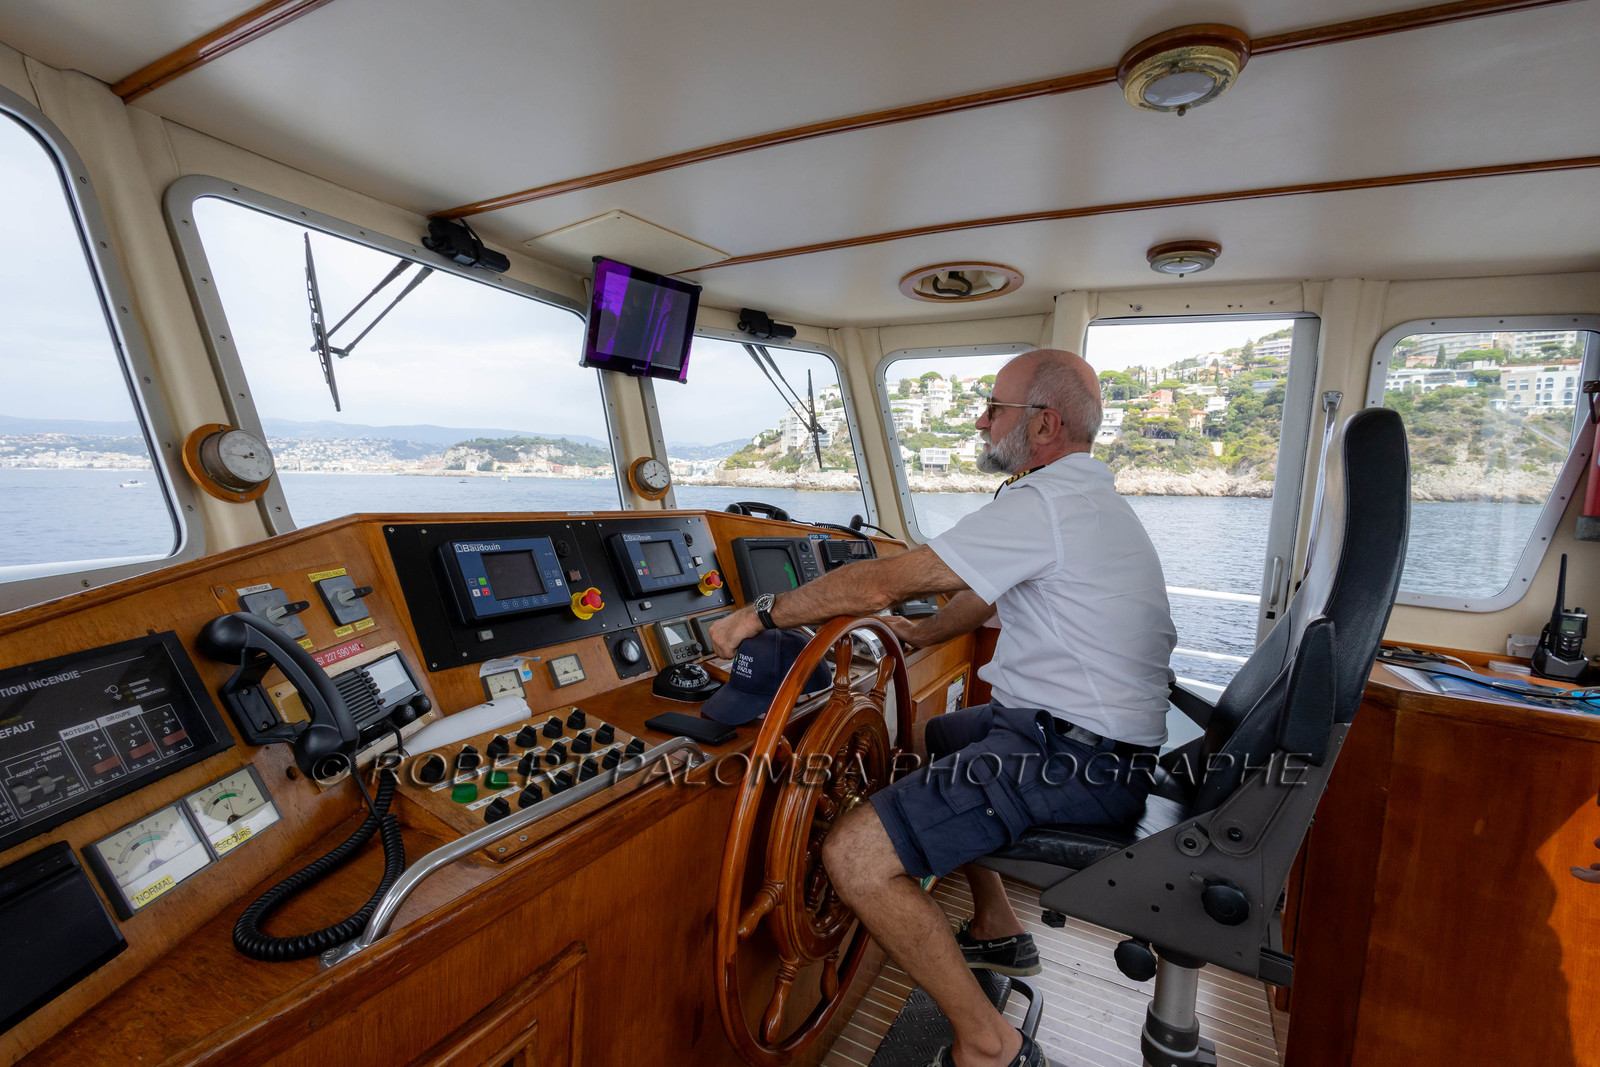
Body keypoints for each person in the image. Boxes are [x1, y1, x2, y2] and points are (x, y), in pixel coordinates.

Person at [707, 349, 1176, 1067]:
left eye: (996, 408)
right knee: (937, 733)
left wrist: (760, 615)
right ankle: (994, 923)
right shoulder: (1082, 497)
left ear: (1044, 423)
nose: (983, 420)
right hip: (1090, 745)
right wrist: (922, 633)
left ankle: (990, 1044)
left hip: (1070, 758)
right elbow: (987, 592)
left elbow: (878, 585)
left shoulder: (1045, 502)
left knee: (852, 856)